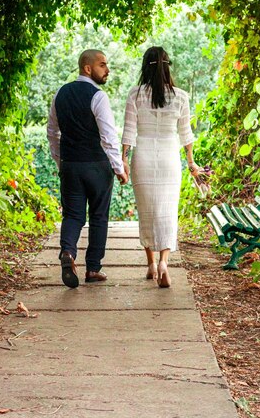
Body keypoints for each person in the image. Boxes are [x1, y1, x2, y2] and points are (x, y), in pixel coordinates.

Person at [47, 49, 128, 289]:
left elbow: (52, 132)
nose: (108, 70)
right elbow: (109, 136)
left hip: (71, 166)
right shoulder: (98, 96)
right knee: (99, 216)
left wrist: (61, 161)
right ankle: (93, 268)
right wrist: (118, 167)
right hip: (97, 166)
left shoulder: (60, 93)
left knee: (72, 215)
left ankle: (68, 253)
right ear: (87, 68)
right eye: (103, 65)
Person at [121, 46, 200, 288]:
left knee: (147, 211)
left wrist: (122, 159)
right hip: (169, 158)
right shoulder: (181, 96)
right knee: (167, 210)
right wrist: (191, 163)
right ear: (168, 66)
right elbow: (186, 134)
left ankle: (151, 264)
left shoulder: (135, 95)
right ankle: (165, 262)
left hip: (143, 157)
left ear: (145, 67)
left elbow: (129, 132)